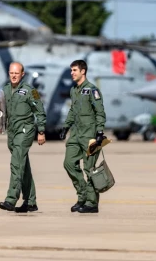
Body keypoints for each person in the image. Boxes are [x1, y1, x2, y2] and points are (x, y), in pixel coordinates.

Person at [0, 62, 46, 213]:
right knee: (23, 166)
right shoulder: (5, 90)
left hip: (25, 131)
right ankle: (30, 202)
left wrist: (42, 131)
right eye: (11, 73)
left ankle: (11, 199)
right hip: (12, 132)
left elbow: (40, 111)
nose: (13, 76)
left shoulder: (30, 91)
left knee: (16, 164)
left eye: (16, 73)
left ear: (22, 74)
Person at [59, 59, 106, 214]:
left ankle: (91, 203)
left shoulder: (92, 90)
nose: (72, 73)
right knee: (69, 163)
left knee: (89, 168)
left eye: (74, 70)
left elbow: (100, 112)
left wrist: (100, 132)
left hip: (90, 135)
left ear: (83, 71)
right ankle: (83, 195)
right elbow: (72, 110)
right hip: (76, 134)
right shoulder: (74, 90)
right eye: (71, 70)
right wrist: (66, 126)